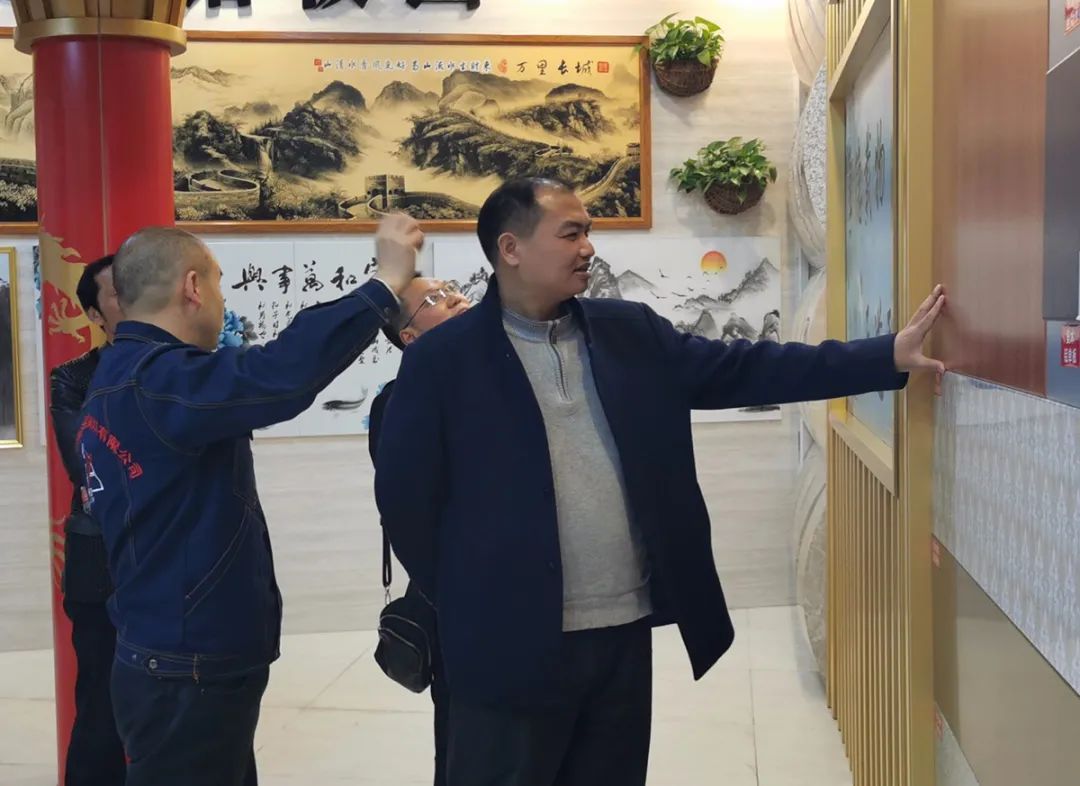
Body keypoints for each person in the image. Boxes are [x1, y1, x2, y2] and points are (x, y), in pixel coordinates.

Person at [374, 177, 946, 786]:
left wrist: (884, 356)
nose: (588, 247)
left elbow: (746, 368)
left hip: (621, 633)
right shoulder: (443, 360)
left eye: (588, 231)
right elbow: (406, 503)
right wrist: (474, 597)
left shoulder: (629, 332)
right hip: (505, 642)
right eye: (570, 233)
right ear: (510, 248)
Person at [76, 217, 421, 786]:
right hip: (185, 659)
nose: (221, 300)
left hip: (169, 646)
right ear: (192, 287)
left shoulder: (124, 373)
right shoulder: (160, 382)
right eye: (218, 284)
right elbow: (281, 372)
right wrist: (384, 283)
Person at [367, 275, 471, 786]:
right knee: (465, 738)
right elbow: (408, 511)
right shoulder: (397, 404)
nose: (454, 298)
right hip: (459, 597)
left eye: (450, 288)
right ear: (408, 337)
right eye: (433, 299)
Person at [49, 255, 126, 786]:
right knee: (101, 705)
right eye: (118, 292)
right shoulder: (74, 378)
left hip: (179, 565)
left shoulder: (193, 367)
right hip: (102, 562)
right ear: (95, 315)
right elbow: (87, 467)